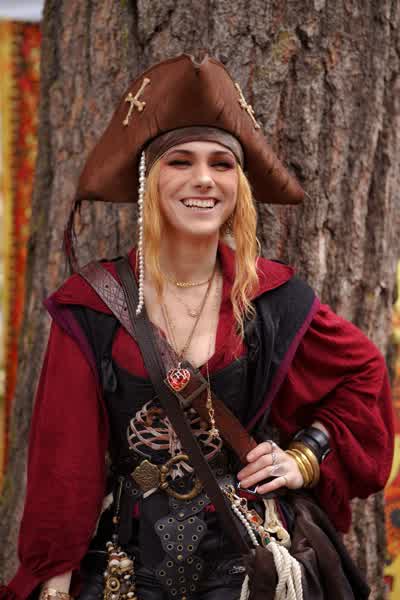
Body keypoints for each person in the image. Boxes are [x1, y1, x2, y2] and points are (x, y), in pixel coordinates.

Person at [0, 54, 394, 600]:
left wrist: (304, 458)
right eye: (180, 161)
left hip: (252, 570)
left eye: (222, 164)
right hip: (128, 571)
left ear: (240, 185)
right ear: (149, 179)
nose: (203, 179)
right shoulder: (92, 307)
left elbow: (364, 377)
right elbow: (64, 467)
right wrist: (55, 584)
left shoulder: (270, 298)